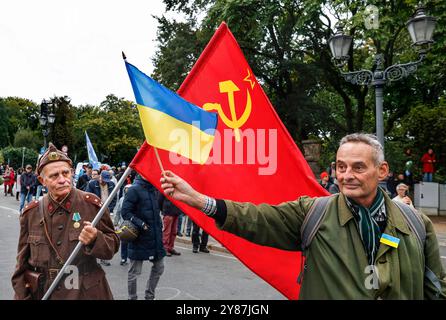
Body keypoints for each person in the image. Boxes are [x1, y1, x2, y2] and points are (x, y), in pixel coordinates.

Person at [160, 133, 446, 299]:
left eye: (358, 167)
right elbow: (258, 218)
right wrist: (201, 201)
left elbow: (436, 290)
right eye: (341, 167)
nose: (347, 176)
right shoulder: (314, 213)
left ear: (382, 171)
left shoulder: (416, 224)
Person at [11, 143, 119, 300]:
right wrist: (22, 296)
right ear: (42, 180)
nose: (62, 180)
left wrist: (95, 239)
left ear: (72, 173)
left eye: (65, 173)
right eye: (54, 176)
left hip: (87, 293)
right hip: (46, 292)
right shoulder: (31, 213)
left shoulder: (91, 205)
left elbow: (113, 246)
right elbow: (21, 265)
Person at [121, 174, 165, 300]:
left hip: (155, 236)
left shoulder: (154, 189)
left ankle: (149, 296)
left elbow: (157, 211)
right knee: (134, 272)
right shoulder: (134, 189)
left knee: (159, 267)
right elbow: (125, 212)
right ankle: (132, 298)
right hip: (139, 237)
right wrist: (141, 224)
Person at [86, 170, 117, 266]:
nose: (105, 182)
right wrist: (94, 210)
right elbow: (88, 197)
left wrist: (110, 209)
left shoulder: (111, 184)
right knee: (94, 234)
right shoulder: (92, 184)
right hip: (95, 212)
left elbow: (114, 197)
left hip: (106, 212)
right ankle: (93, 258)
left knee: (105, 234)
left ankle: (103, 258)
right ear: (100, 177)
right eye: (104, 179)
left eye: (107, 180)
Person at [113, 184, 132, 265]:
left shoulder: (136, 200)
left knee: (132, 243)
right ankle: (123, 258)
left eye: (129, 190)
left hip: (133, 225)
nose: (127, 192)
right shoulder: (121, 199)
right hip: (123, 224)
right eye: (126, 190)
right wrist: (115, 223)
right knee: (124, 242)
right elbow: (117, 212)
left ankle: (132, 258)